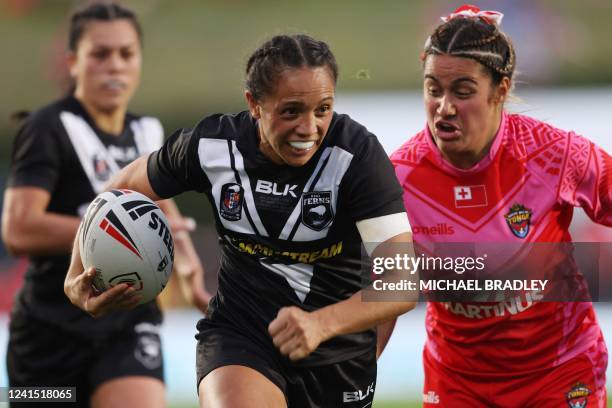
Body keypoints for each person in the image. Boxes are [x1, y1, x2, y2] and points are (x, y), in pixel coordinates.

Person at [64, 33, 418, 408]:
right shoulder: (212, 146)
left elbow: (401, 280)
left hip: (338, 353)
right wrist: (76, 273)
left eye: (323, 109)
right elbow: (117, 192)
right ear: (254, 104)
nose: (309, 128)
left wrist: (321, 325)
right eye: (291, 111)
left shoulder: (357, 156)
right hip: (240, 335)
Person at [391, 4, 611, 407]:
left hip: (559, 371)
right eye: (433, 89)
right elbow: (384, 296)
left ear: (501, 90)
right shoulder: (397, 180)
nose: (444, 107)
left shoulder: (556, 154)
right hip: (458, 382)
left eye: (463, 91)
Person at [1, 3, 209, 407]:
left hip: (129, 324)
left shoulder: (147, 130)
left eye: (126, 54)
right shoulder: (47, 128)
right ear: (73, 62)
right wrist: (110, 233)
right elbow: (17, 229)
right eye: (100, 54)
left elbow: (163, 215)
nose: (115, 66)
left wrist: (189, 270)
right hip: (46, 335)